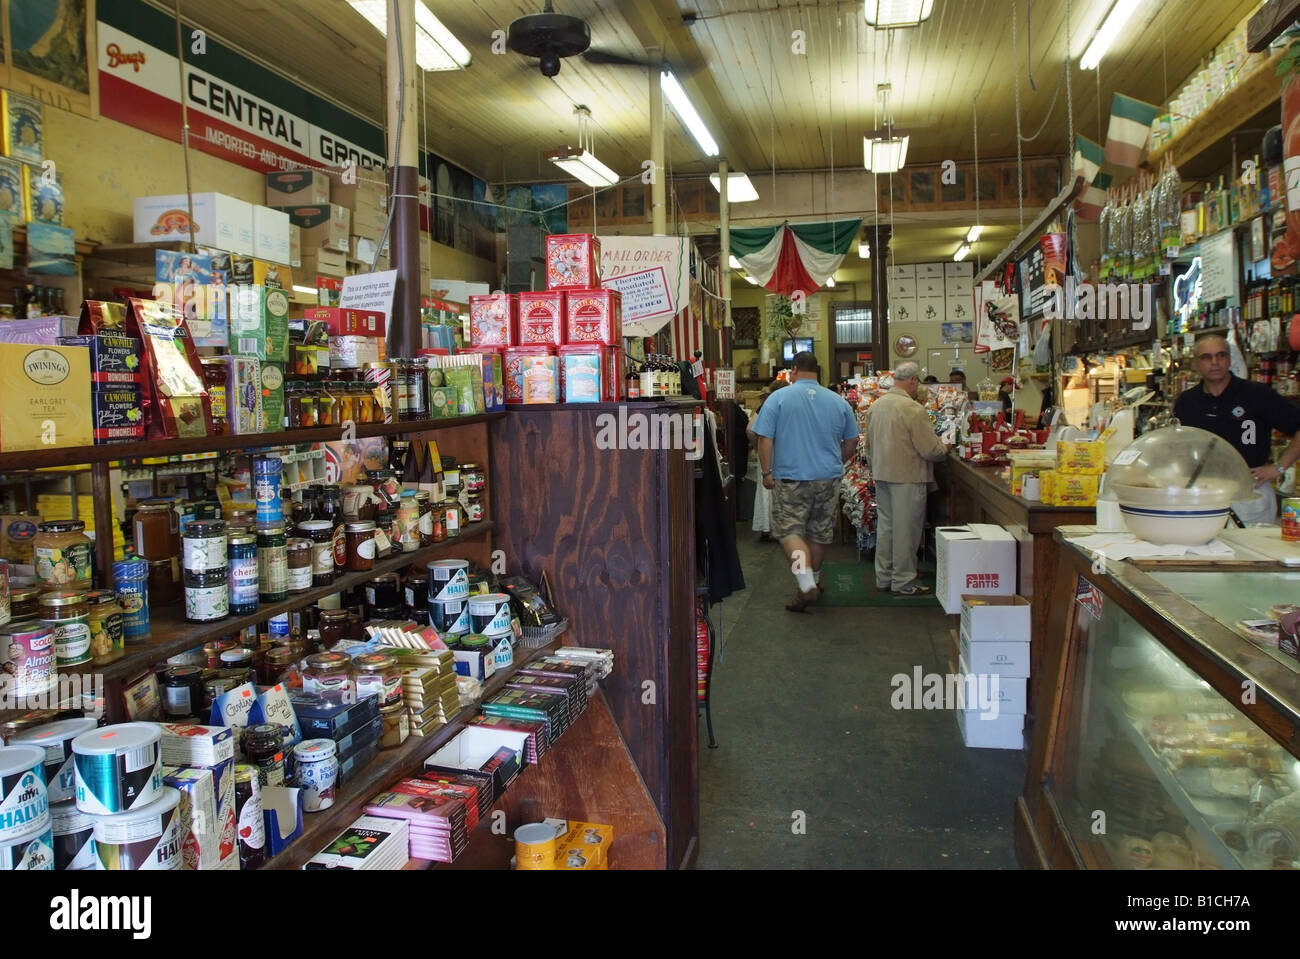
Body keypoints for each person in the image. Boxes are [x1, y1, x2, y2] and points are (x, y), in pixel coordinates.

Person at [753, 353, 859, 611]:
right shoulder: (838, 401)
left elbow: (764, 438)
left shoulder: (778, 398)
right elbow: (852, 441)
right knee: (819, 532)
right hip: (828, 477)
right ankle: (814, 581)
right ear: (818, 371)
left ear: (794, 369)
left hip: (791, 478)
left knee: (790, 532)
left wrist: (767, 472)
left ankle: (805, 584)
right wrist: (838, 462)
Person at [1173, 333, 1300, 524]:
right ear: (1196, 364)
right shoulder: (1187, 402)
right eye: (1206, 357)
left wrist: (1278, 468)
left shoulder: (1257, 394)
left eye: (1221, 355)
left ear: (1229, 359)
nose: (1215, 362)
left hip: (1249, 489)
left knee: (1251, 552)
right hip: (1201, 493)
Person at [865, 361, 950, 595]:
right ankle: (903, 581)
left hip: (882, 474)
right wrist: (945, 447)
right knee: (907, 531)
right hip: (908, 477)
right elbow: (930, 450)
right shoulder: (912, 408)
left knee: (887, 528)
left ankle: (884, 576)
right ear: (912, 380)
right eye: (917, 383)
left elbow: (868, 446)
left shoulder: (877, 406)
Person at [747, 381, 787, 541]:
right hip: (784, 452)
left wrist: (756, 443)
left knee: (765, 490)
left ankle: (766, 526)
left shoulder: (765, 406)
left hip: (766, 451)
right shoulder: (787, 406)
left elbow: (750, 429)